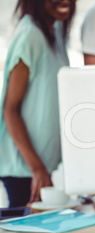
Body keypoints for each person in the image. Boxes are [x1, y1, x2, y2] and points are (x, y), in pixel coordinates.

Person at [0, 0, 76, 208]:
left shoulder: (55, 29)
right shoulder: (30, 35)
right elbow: (10, 110)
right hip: (24, 171)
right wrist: (37, 169)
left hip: (40, 169)